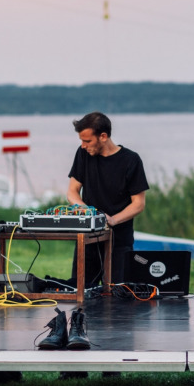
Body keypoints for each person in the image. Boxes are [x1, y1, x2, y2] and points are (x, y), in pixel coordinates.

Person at [67, 111, 149, 285]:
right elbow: (72, 192)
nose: (83, 145)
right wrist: (88, 212)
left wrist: (112, 220)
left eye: (87, 141)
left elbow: (139, 204)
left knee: (119, 293)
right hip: (87, 237)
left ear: (103, 136)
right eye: (81, 140)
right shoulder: (83, 154)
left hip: (120, 240)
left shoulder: (131, 160)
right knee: (82, 290)